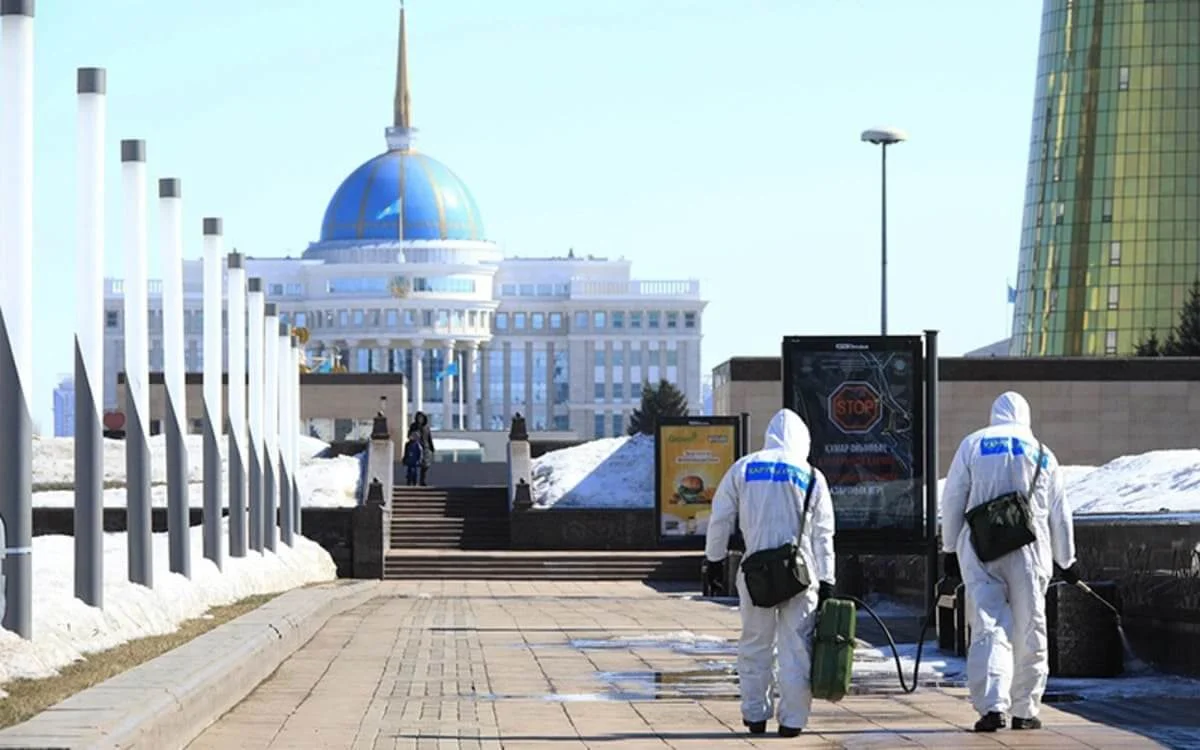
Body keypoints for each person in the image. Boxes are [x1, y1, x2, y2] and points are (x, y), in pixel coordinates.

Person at [941, 391, 1079, 733]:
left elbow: (954, 496)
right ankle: (1025, 710)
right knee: (1030, 627)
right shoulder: (1044, 454)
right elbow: (1059, 514)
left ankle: (992, 707)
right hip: (1030, 551)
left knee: (988, 625)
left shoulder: (973, 444)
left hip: (982, 546)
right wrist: (1067, 559)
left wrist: (948, 549)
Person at [703, 408, 836, 738]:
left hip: (756, 573)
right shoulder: (811, 475)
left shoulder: (744, 468)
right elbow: (823, 533)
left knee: (755, 645)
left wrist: (714, 560)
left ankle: (755, 715)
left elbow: (720, 517)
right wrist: (828, 579)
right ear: (803, 440)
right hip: (800, 575)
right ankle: (792, 721)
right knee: (797, 648)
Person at [409, 411, 435, 486]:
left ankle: (422, 481)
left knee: (425, 466)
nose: (420, 419)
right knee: (414, 465)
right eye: (419, 418)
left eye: (421, 418)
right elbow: (409, 435)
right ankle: (413, 481)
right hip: (415, 447)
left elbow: (429, 438)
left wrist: (432, 448)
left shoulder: (426, 427)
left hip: (425, 447)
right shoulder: (413, 426)